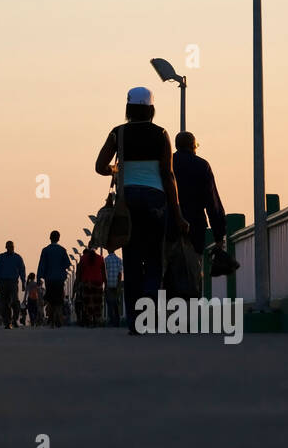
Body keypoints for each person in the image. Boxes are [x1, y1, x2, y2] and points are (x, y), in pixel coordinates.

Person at [95, 87, 187, 335]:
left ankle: (135, 321)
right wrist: (177, 214)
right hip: (155, 200)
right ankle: (150, 298)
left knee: (132, 257)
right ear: (151, 109)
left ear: (128, 108)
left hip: (128, 201)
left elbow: (100, 166)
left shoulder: (119, 134)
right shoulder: (161, 134)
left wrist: (116, 170)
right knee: (155, 256)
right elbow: (168, 175)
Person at [173, 132, 234, 279]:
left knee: (167, 272)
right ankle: (190, 300)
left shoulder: (166, 163)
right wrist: (219, 235)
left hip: (168, 227)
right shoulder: (201, 166)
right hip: (194, 229)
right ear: (193, 146)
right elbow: (213, 203)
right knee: (193, 274)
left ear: (176, 146)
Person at [36, 231, 70, 327]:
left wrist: (39, 278)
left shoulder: (45, 250)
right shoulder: (62, 250)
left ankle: (51, 319)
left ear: (50, 238)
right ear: (58, 238)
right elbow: (67, 264)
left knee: (50, 299)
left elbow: (41, 265)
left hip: (49, 279)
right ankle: (58, 318)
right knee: (59, 300)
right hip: (59, 279)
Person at [0, 240, 25, 329]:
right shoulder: (1, 257)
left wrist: (23, 282)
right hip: (3, 282)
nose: (11, 248)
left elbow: (22, 270)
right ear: (6, 247)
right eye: (9, 247)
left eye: (12, 247)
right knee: (5, 303)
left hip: (13, 282)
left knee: (15, 301)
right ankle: (7, 321)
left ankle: (15, 319)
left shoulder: (17, 258)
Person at [76, 246, 106, 327]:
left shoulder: (83, 258)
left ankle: (90, 320)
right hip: (98, 283)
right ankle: (96, 319)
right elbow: (103, 272)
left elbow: (79, 272)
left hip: (87, 283)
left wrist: (78, 283)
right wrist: (105, 283)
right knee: (97, 302)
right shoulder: (100, 258)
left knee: (88, 303)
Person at [103, 249, 123, 327]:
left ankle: (111, 320)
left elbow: (105, 274)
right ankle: (117, 321)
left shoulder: (106, 260)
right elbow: (120, 273)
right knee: (116, 304)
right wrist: (119, 285)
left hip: (109, 284)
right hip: (116, 284)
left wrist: (105, 285)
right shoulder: (119, 260)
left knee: (109, 303)